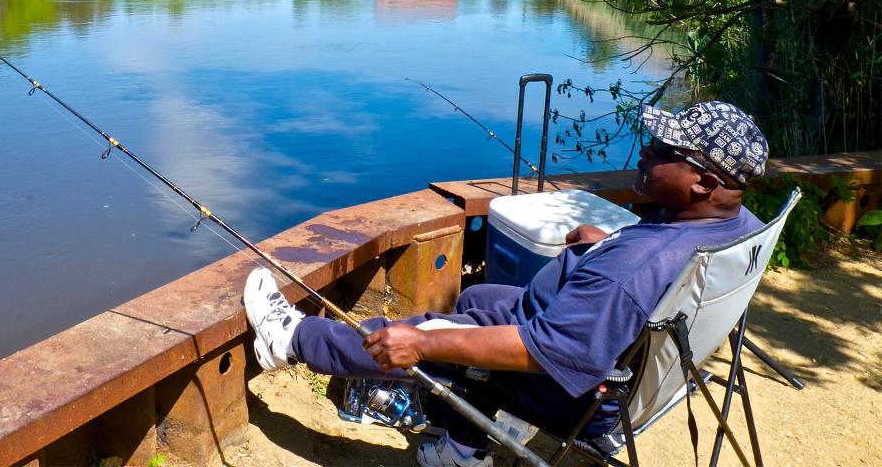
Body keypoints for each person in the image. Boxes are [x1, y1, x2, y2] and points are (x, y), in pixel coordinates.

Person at [244, 101, 769, 467]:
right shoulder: (735, 227)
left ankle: (290, 340)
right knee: (475, 296)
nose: (646, 153)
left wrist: (424, 344)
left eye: (662, 150)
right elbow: (647, 271)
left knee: (425, 332)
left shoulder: (634, 269)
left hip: (568, 391)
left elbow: (547, 350)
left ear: (705, 182)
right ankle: (463, 445)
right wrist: (604, 244)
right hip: (610, 356)